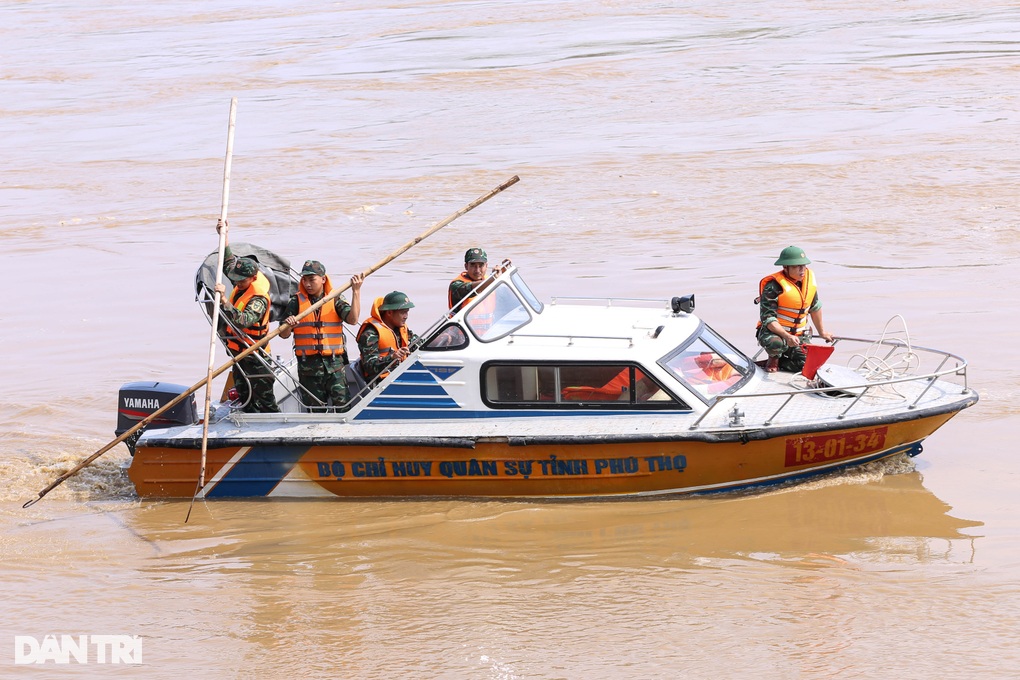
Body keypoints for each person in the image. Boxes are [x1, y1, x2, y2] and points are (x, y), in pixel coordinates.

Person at [213, 219, 280, 413]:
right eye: (236, 280)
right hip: (240, 353)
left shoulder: (258, 299)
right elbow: (228, 262)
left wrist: (225, 300)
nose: (237, 283)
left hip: (256, 357)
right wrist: (224, 236)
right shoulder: (242, 279)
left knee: (265, 399)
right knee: (244, 393)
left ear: (252, 278)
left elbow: (243, 321)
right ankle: (248, 416)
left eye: (241, 282)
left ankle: (270, 427)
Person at [279, 260, 363, 411]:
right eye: (305, 280)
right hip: (308, 369)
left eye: (312, 280)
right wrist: (288, 325)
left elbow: (353, 320)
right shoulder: (296, 302)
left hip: (335, 366)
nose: (308, 284)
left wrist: (356, 292)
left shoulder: (335, 298)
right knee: (315, 411)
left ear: (323, 279)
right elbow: (283, 334)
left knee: (343, 407)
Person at [756, 245, 834, 373]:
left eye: (803, 266)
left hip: (799, 335)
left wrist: (822, 332)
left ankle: (782, 362)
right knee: (776, 344)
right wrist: (787, 336)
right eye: (796, 266)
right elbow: (768, 319)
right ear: (785, 268)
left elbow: (815, 308)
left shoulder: (808, 283)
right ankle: (773, 359)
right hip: (774, 334)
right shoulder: (773, 286)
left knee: (810, 366)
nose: (801, 270)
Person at [356, 291, 419, 384]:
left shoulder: (400, 328)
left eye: (407, 312)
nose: (406, 316)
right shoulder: (370, 333)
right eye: (403, 313)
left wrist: (439, 340)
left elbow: (418, 343)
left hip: (399, 376)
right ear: (389, 312)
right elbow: (370, 366)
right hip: (381, 383)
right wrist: (392, 357)